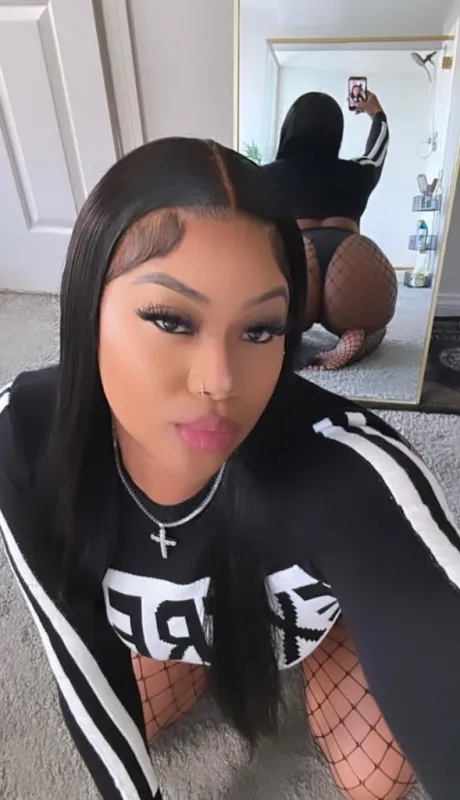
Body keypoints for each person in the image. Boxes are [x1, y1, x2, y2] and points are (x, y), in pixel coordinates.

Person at [0, 137, 459, 800]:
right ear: (86, 306)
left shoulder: (354, 472)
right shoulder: (23, 432)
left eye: (259, 330)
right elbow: (77, 655)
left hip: (313, 617)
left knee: (374, 778)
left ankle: (337, 621)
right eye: (170, 319)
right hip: (195, 622)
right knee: (133, 718)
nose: (220, 381)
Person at [263, 91, 397, 370]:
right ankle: (356, 337)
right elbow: (379, 147)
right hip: (353, 260)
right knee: (374, 327)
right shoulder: (359, 170)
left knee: (272, 318)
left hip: (299, 259)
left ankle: (289, 336)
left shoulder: (266, 175)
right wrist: (376, 112)